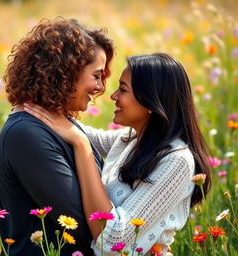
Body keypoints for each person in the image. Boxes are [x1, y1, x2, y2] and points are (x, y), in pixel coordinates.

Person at [24, 53, 211, 255]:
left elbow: (114, 240)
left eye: (122, 90)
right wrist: (40, 103)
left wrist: (82, 146)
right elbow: (84, 133)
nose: (113, 96)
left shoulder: (176, 161)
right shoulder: (135, 139)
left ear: (150, 101)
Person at [0, 17, 114, 255]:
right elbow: (88, 225)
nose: (101, 87)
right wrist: (82, 145)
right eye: (97, 75)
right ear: (67, 72)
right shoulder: (26, 134)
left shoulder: (58, 124)